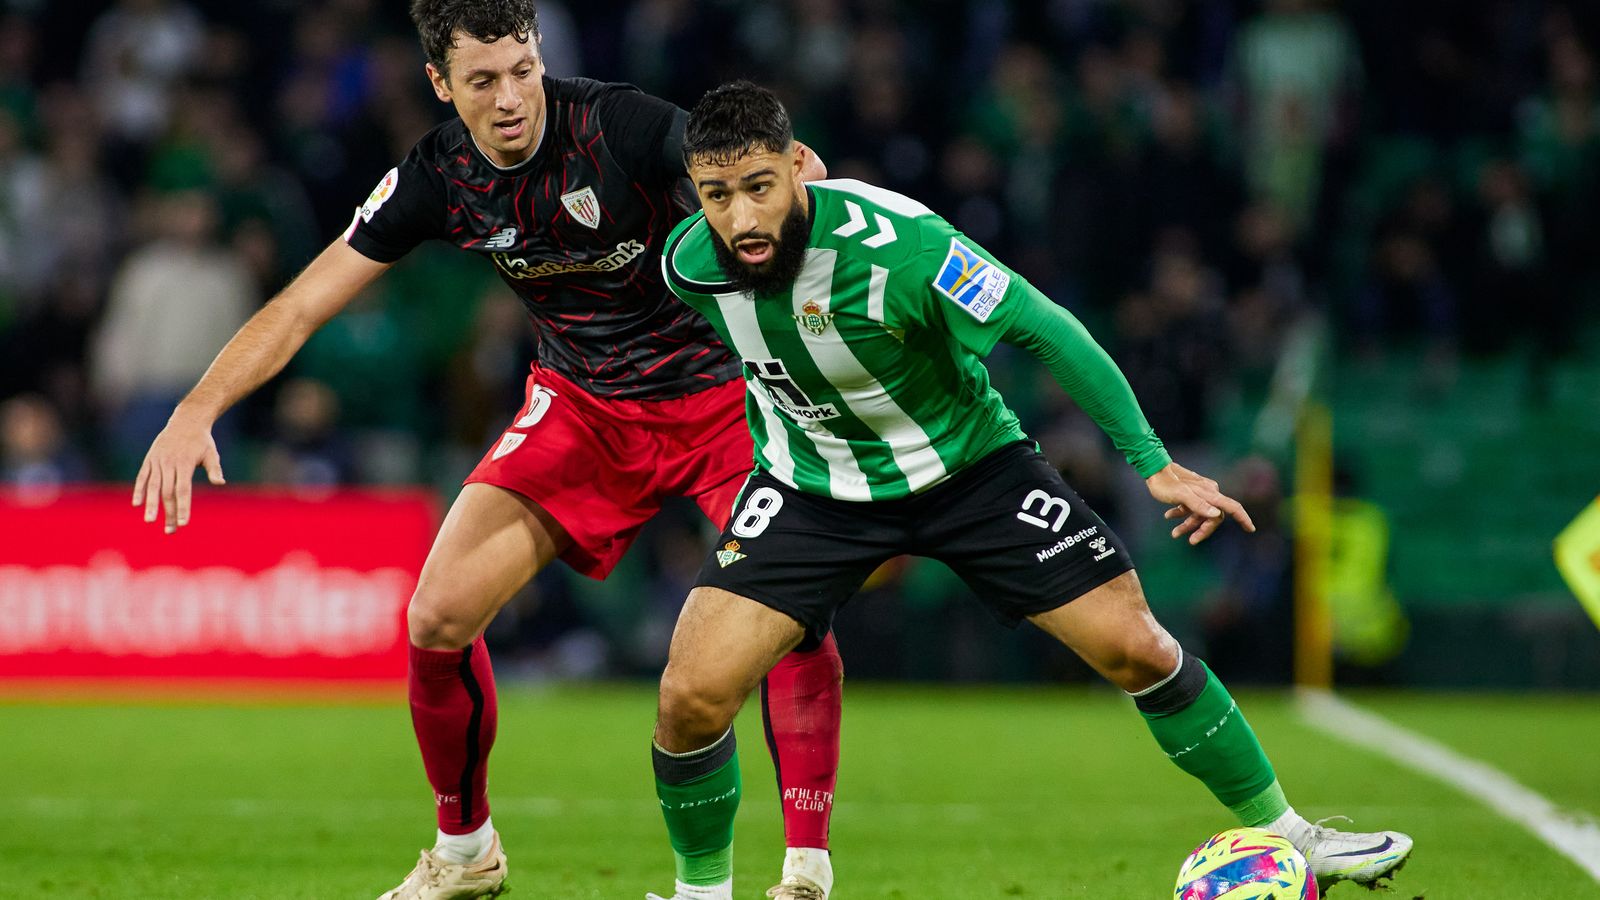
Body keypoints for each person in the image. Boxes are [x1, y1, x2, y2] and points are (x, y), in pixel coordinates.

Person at [130, 5, 845, 898]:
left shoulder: (617, 123)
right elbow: (306, 302)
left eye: (521, 70)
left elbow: (749, 170)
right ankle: (466, 855)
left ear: (539, 57)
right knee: (435, 619)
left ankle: (806, 872)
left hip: (723, 401)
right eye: (483, 80)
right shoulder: (438, 175)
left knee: (785, 614)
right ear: (441, 83)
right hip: (582, 411)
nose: (510, 99)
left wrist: (796, 169)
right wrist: (199, 405)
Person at [645, 81, 1414, 900]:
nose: (741, 220)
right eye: (718, 196)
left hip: (970, 471)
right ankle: (701, 894)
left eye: (760, 187)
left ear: (800, 168)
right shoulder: (690, 263)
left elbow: (1045, 327)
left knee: (1139, 648)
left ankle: (1294, 838)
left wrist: (1151, 461)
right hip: (811, 489)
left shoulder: (902, 245)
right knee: (690, 698)